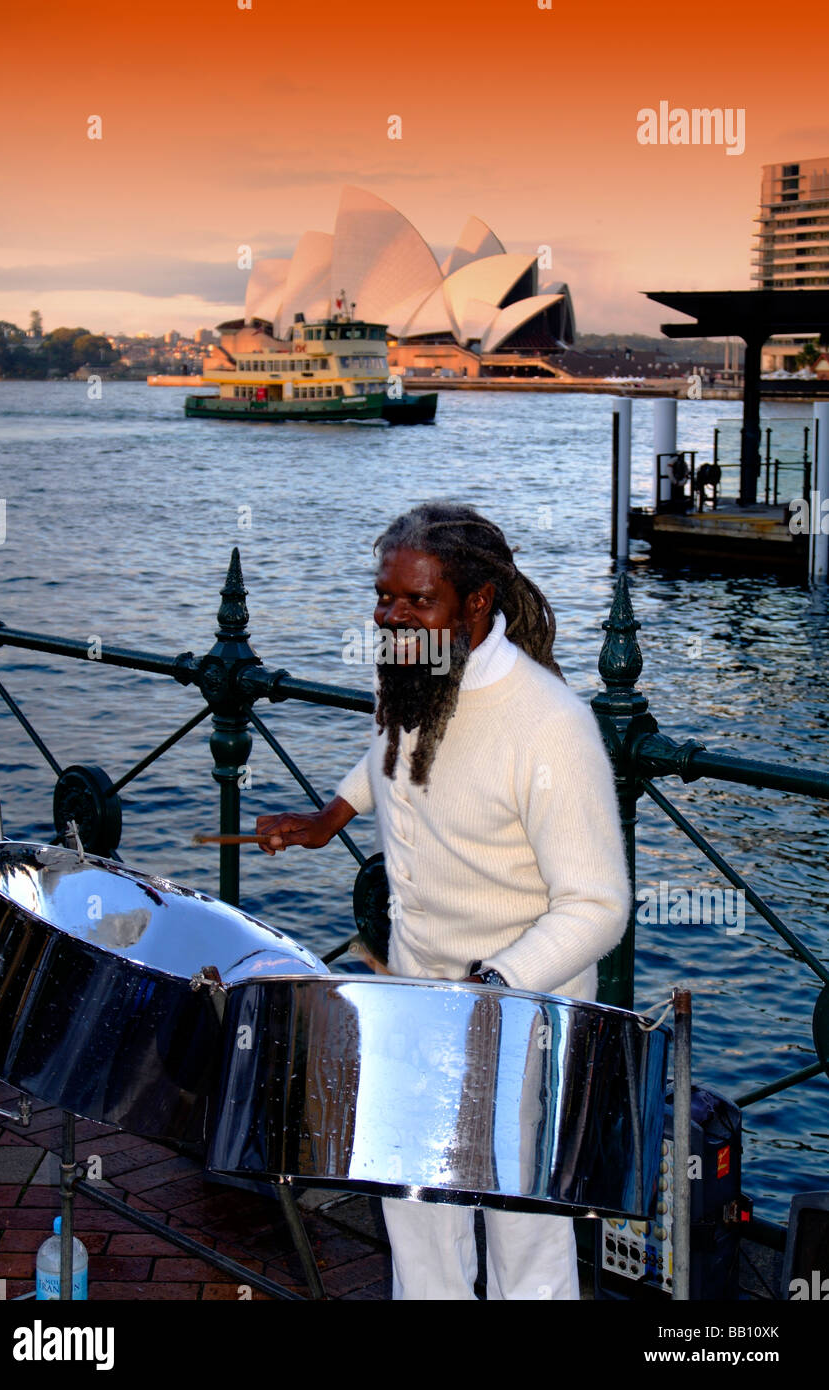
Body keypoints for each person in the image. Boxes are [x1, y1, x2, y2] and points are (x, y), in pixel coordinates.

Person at [257, 501, 631, 1300]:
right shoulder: (414, 664)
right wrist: (333, 815)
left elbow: (600, 904)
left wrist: (492, 985)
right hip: (417, 992)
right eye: (383, 596)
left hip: (524, 1010)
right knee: (416, 1211)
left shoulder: (548, 725)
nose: (390, 616)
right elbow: (394, 745)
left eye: (414, 600)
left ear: (475, 604)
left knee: (523, 1235)